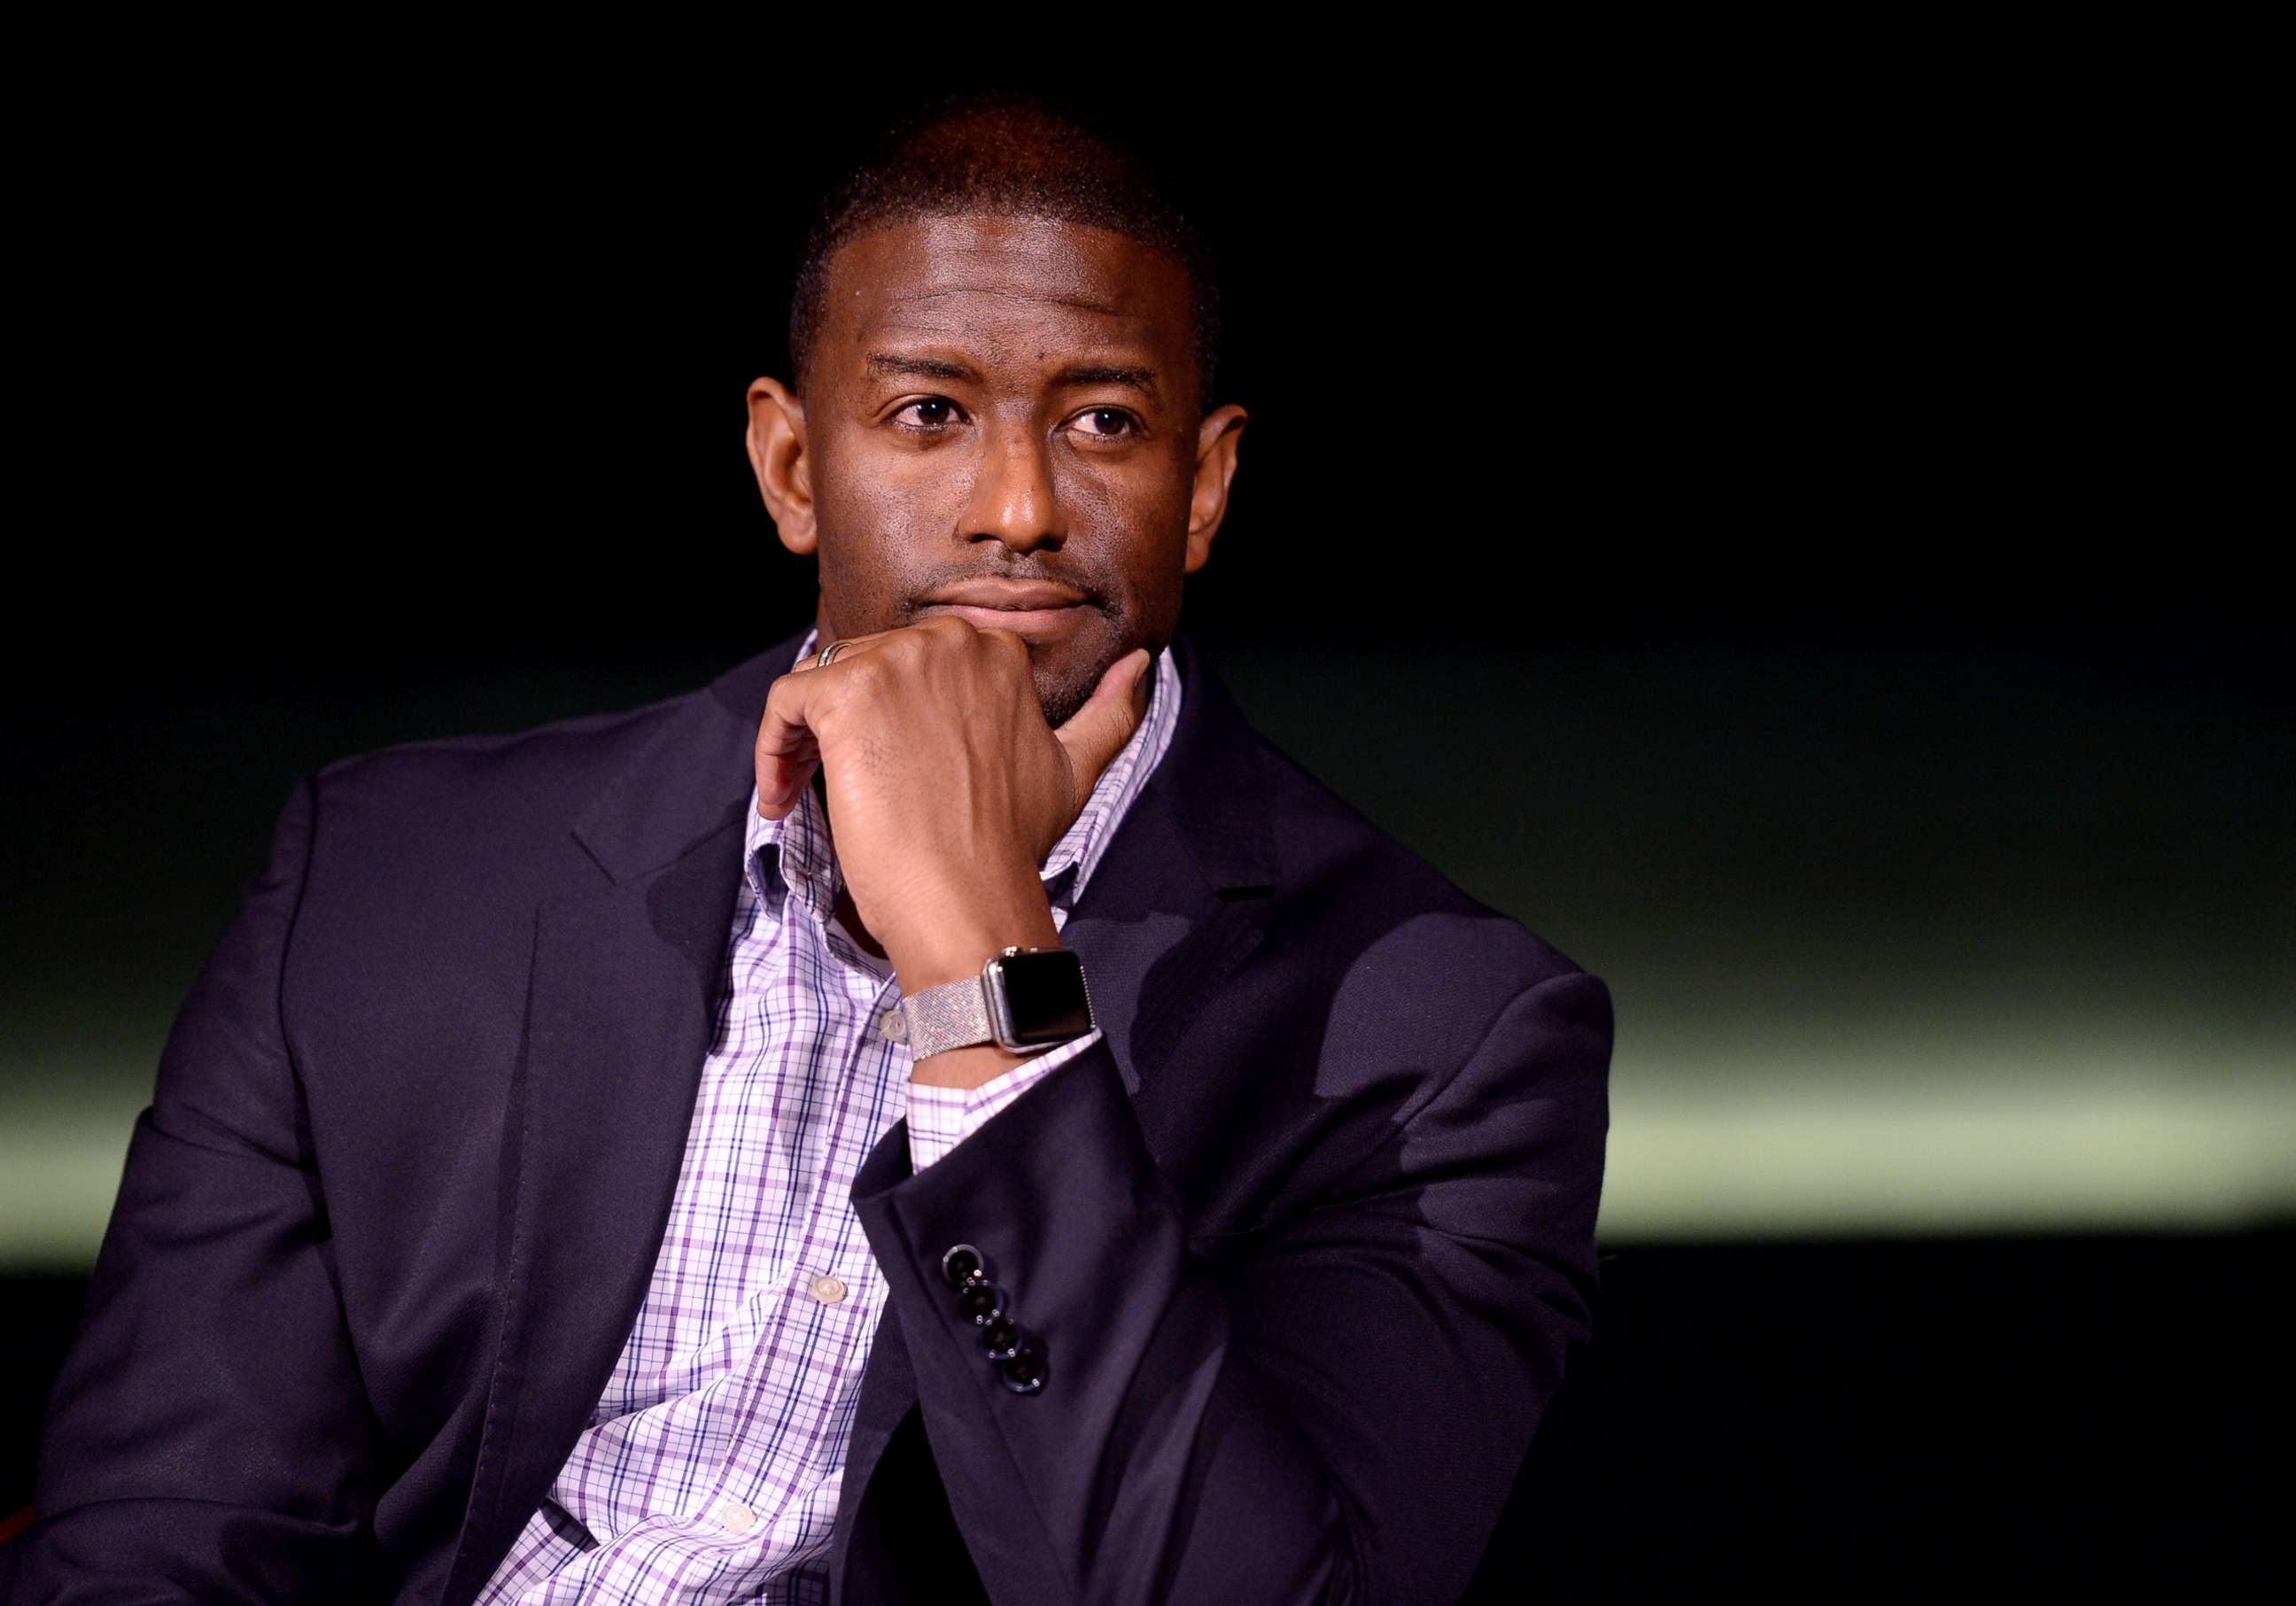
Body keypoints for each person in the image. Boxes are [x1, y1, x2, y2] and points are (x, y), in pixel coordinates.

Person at [9, 90, 1612, 1605]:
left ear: (1201, 489)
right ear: (792, 468)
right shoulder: (388, 875)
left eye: (1104, 421)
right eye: (929, 413)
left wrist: (989, 968)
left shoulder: (1448, 1041)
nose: (1016, 509)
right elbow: (165, 1534)